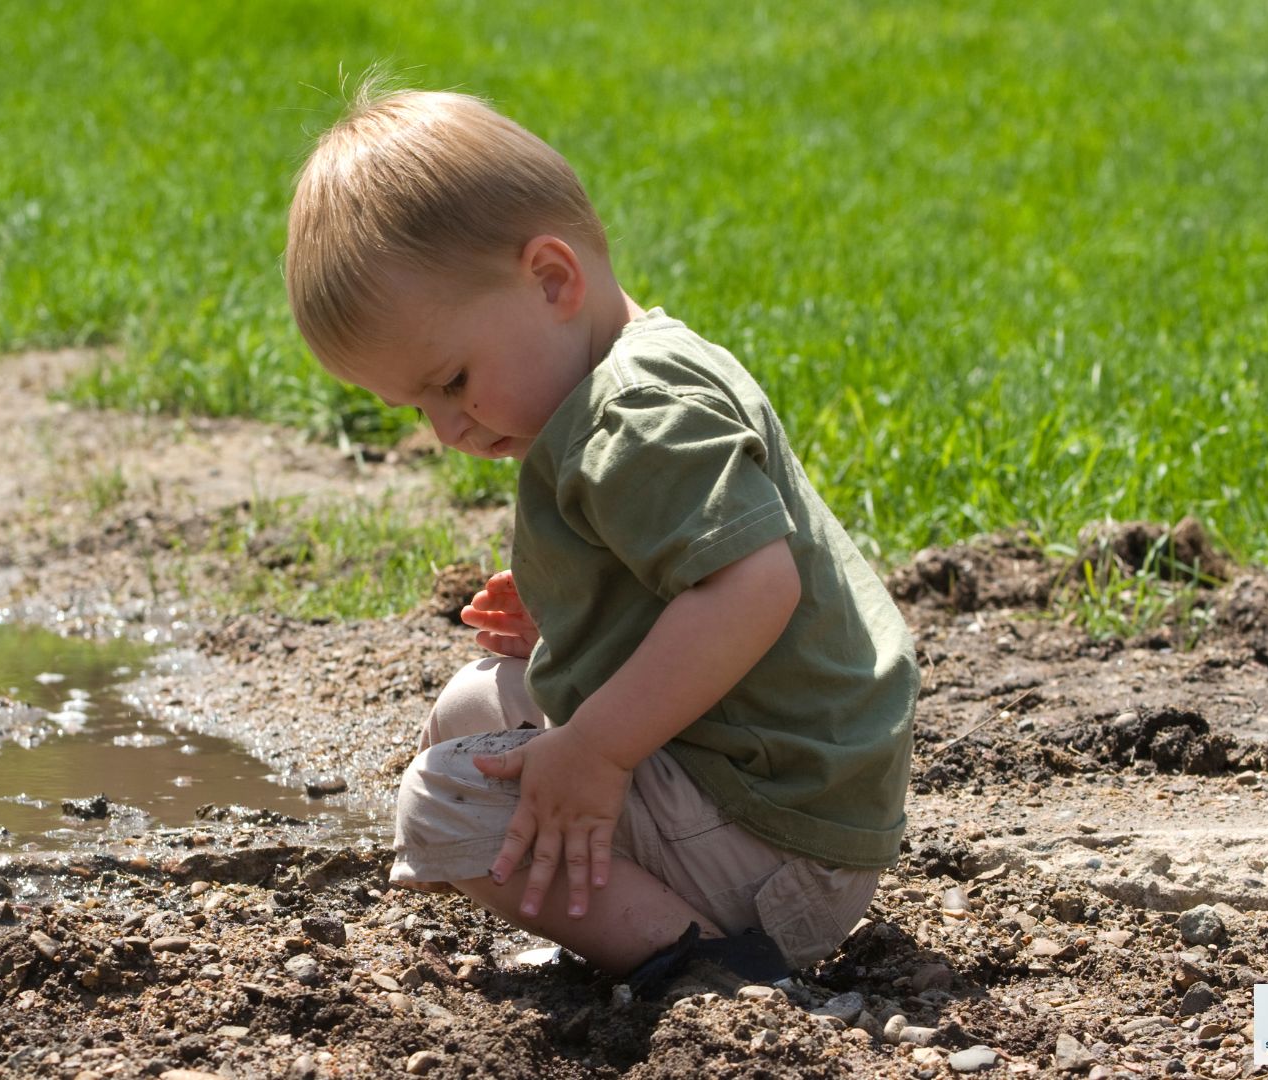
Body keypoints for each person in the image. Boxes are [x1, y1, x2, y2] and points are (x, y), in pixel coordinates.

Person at [283, 81, 918, 985]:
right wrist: (582, 614)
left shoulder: (638, 413)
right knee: (475, 705)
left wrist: (596, 751)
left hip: (780, 829)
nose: (448, 428)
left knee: (444, 806)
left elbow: (753, 588)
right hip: (771, 781)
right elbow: (687, 581)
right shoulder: (629, 371)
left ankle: (706, 967)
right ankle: (647, 915)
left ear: (552, 279)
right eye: (415, 405)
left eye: (453, 379)